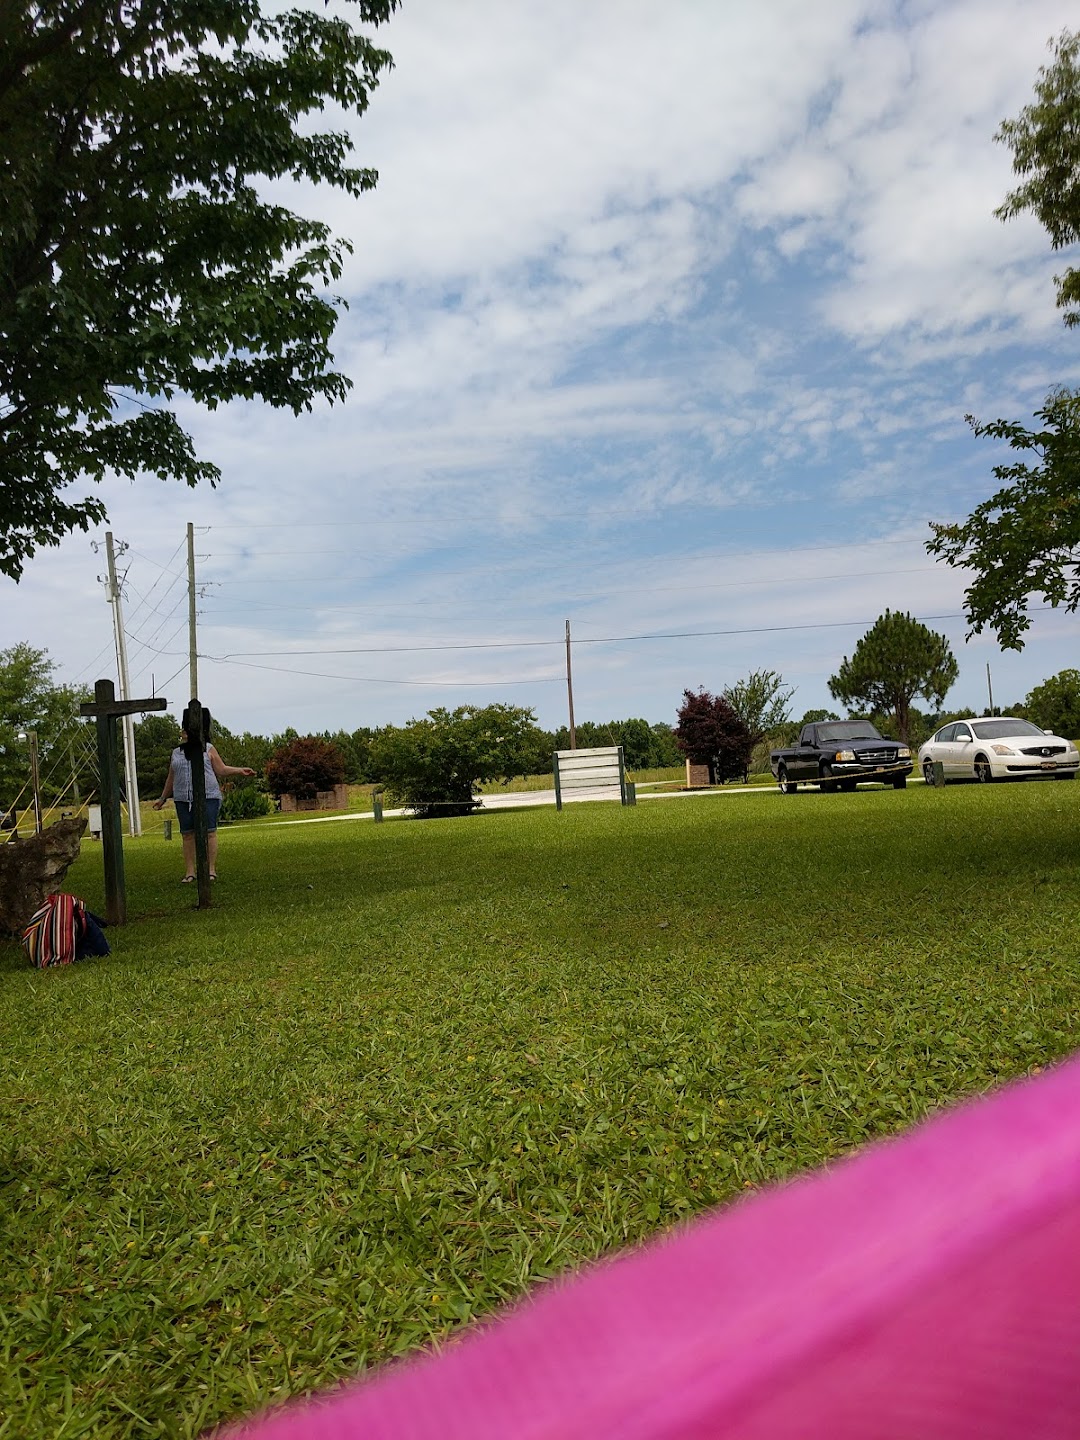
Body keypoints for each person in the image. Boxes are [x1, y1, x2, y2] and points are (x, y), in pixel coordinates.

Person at [153, 730, 256, 882]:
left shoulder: (208, 748)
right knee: (187, 834)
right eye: (183, 729)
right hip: (182, 798)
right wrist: (162, 798)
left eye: (188, 728)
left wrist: (240, 770)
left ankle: (210, 870)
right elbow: (171, 777)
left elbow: (221, 769)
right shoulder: (176, 752)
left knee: (209, 832)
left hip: (208, 795)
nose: (184, 731)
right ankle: (190, 872)